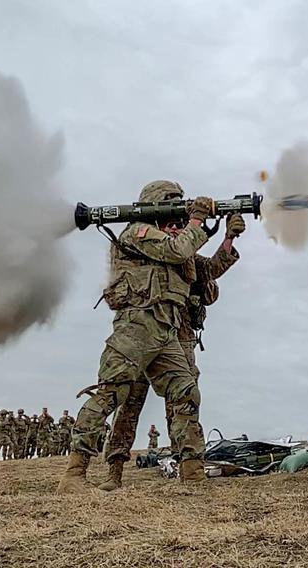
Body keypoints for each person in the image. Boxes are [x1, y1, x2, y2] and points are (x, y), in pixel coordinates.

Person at [57, 181, 213, 493]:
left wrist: (219, 235)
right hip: (137, 326)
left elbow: (194, 262)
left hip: (166, 328)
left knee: (185, 392)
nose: (178, 208)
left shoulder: (167, 238)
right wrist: (196, 220)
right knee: (111, 394)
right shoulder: (138, 232)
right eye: (172, 202)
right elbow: (177, 249)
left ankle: (192, 473)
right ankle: (74, 475)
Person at [99, 209, 243, 490]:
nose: (176, 228)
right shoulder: (152, 248)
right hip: (145, 332)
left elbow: (210, 269)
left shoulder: (185, 255)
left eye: (180, 224)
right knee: (129, 401)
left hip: (181, 334)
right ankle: (113, 472)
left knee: (184, 401)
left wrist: (228, 238)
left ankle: (188, 469)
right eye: (171, 224)